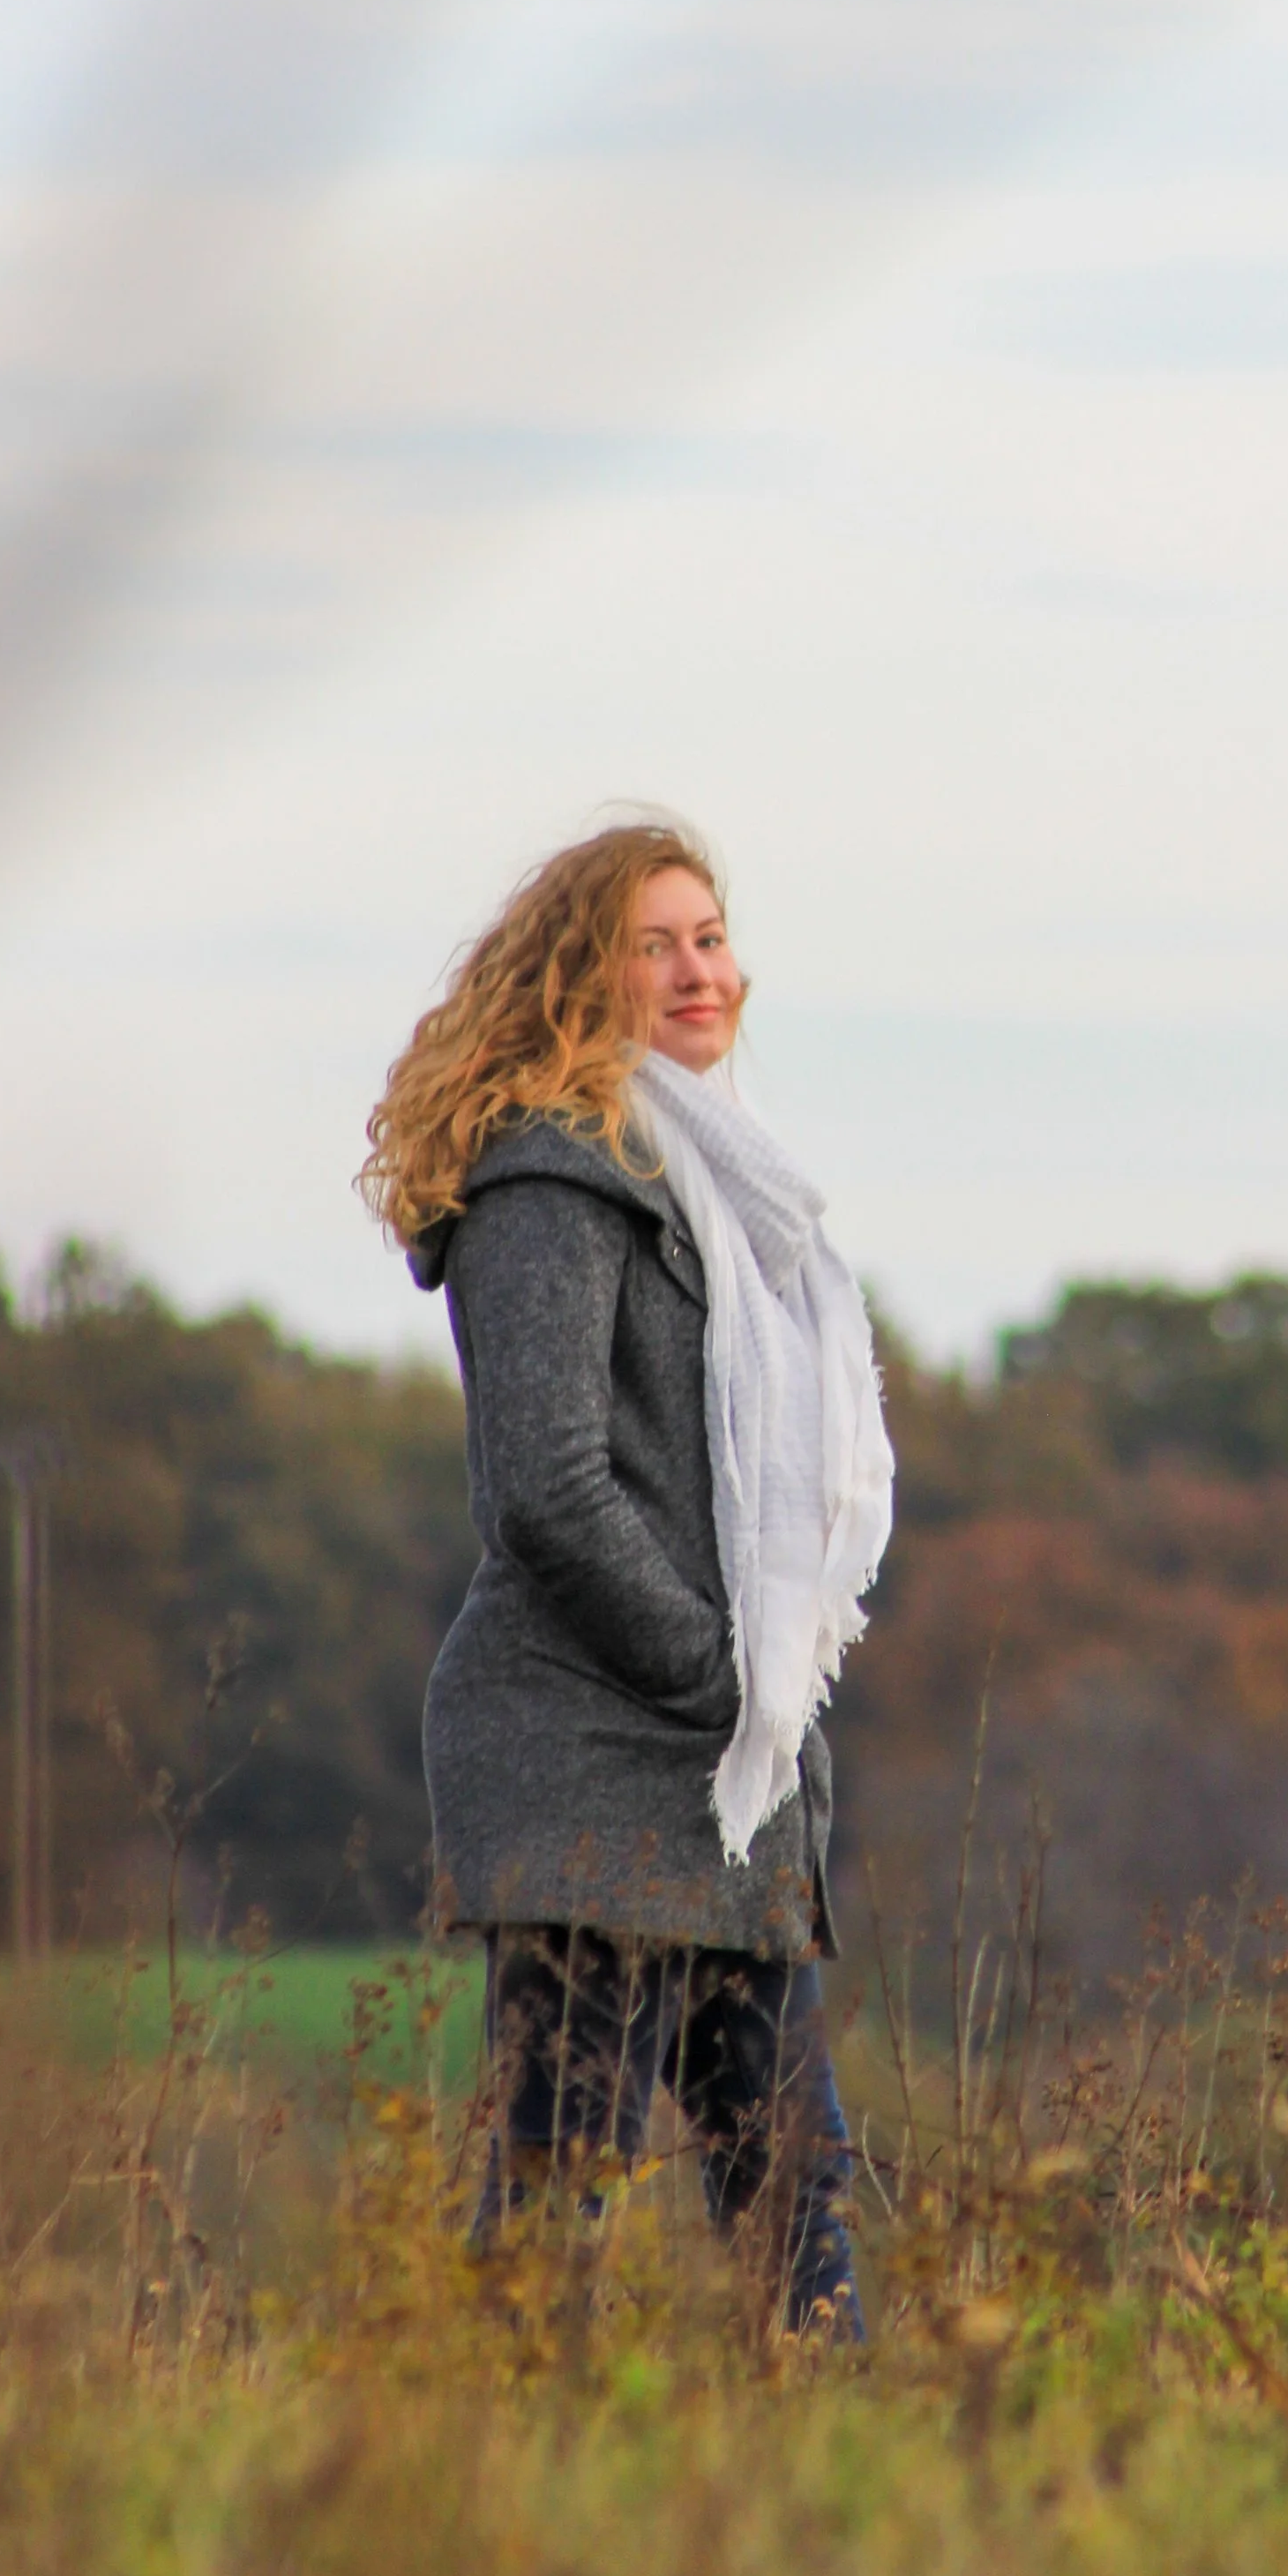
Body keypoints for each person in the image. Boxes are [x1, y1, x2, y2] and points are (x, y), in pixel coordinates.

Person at [360, 815, 893, 2336]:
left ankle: (838, 2511)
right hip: (587, 1753)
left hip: (721, 1775)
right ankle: (500, 2524)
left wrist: (751, 1707)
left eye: (709, 937)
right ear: (576, 977)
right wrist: (723, 1678)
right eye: (649, 943)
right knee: (554, 2199)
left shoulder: (730, 1195)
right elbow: (546, 1490)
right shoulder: (550, 1182)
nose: (692, 970)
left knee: (797, 2188)